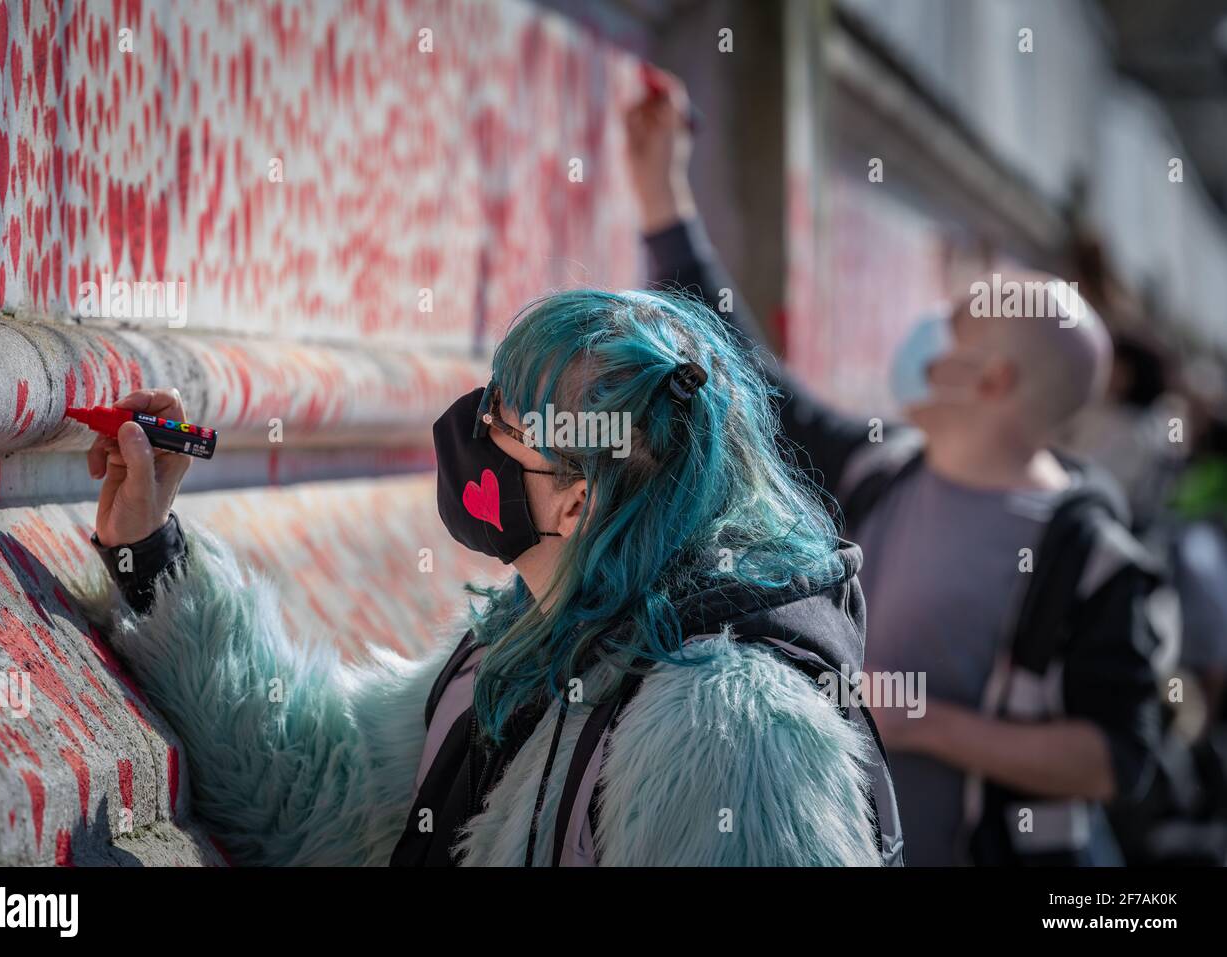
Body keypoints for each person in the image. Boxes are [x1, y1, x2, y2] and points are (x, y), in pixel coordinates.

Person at [86, 288, 901, 866]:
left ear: (577, 501)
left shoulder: (730, 740)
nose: (470, 426)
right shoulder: (532, 636)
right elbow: (322, 799)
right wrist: (151, 553)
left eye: (503, 419)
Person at [625, 81, 1165, 866]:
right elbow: (741, 370)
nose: (931, 334)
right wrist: (661, 196)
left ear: (992, 382)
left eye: (958, 326)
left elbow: (1120, 757)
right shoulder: (885, 470)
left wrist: (925, 723)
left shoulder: (1093, 557)